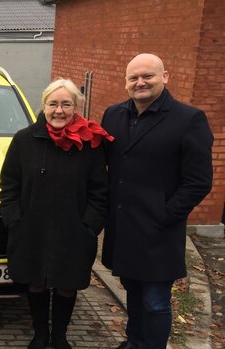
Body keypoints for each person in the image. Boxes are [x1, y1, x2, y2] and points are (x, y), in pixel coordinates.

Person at [101, 53, 213, 349]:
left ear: (165, 77)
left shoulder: (188, 119)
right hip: (124, 228)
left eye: (147, 76)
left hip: (159, 230)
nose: (140, 82)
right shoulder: (113, 115)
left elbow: (198, 181)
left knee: (155, 301)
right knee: (133, 294)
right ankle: (134, 341)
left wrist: (165, 215)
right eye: (133, 77)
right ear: (126, 83)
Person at [0, 79, 112, 349]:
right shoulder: (24, 140)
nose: (59, 110)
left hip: (74, 231)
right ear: (44, 106)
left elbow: (100, 191)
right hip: (31, 229)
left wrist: (90, 226)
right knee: (36, 283)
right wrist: (14, 220)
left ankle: (60, 335)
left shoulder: (90, 144)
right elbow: (9, 185)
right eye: (53, 104)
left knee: (66, 285)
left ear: (76, 108)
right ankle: (40, 334)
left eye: (66, 104)